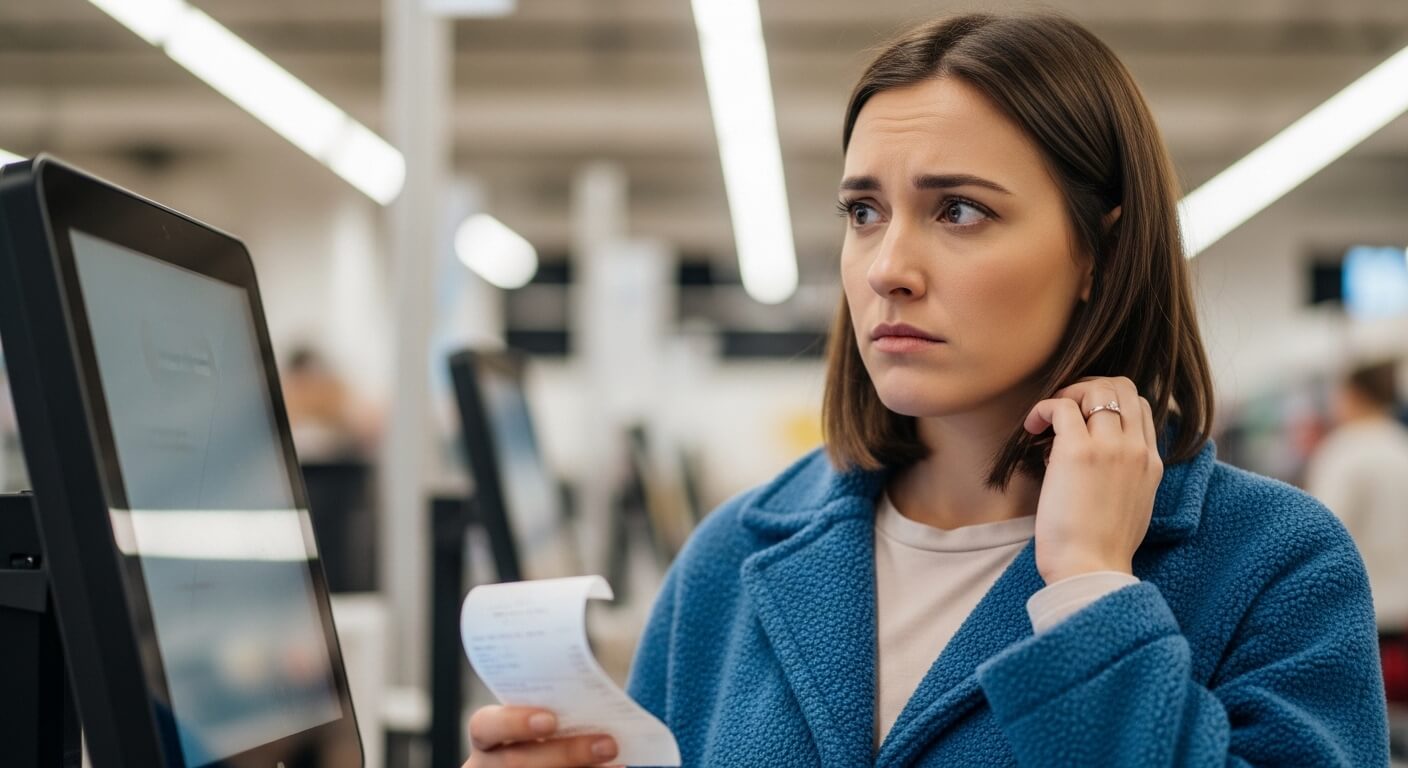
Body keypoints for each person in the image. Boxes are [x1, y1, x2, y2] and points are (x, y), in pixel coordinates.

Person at [462, 12, 1388, 767]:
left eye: (960, 210)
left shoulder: (1271, 564)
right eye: (864, 212)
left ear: (1098, 254)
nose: (888, 268)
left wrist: (1093, 592)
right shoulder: (732, 558)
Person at [1306, 360, 1408, 705]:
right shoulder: (1401, 446)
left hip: (1360, 616)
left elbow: (1320, 536)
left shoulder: (1344, 452)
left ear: (1351, 395)